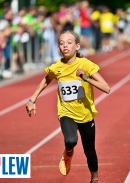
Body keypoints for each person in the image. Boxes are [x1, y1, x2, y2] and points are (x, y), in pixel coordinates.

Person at [26, 30, 110, 183]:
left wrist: (86, 78)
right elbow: (46, 79)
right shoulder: (56, 67)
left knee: (89, 151)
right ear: (58, 48)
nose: (65, 46)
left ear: (77, 46)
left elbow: (106, 88)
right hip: (66, 112)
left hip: (86, 114)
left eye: (69, 42)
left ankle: (95, 179)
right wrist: (32, 99)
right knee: (71, 140)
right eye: (62, 43)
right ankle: (68, 152)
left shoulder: (86, 64)